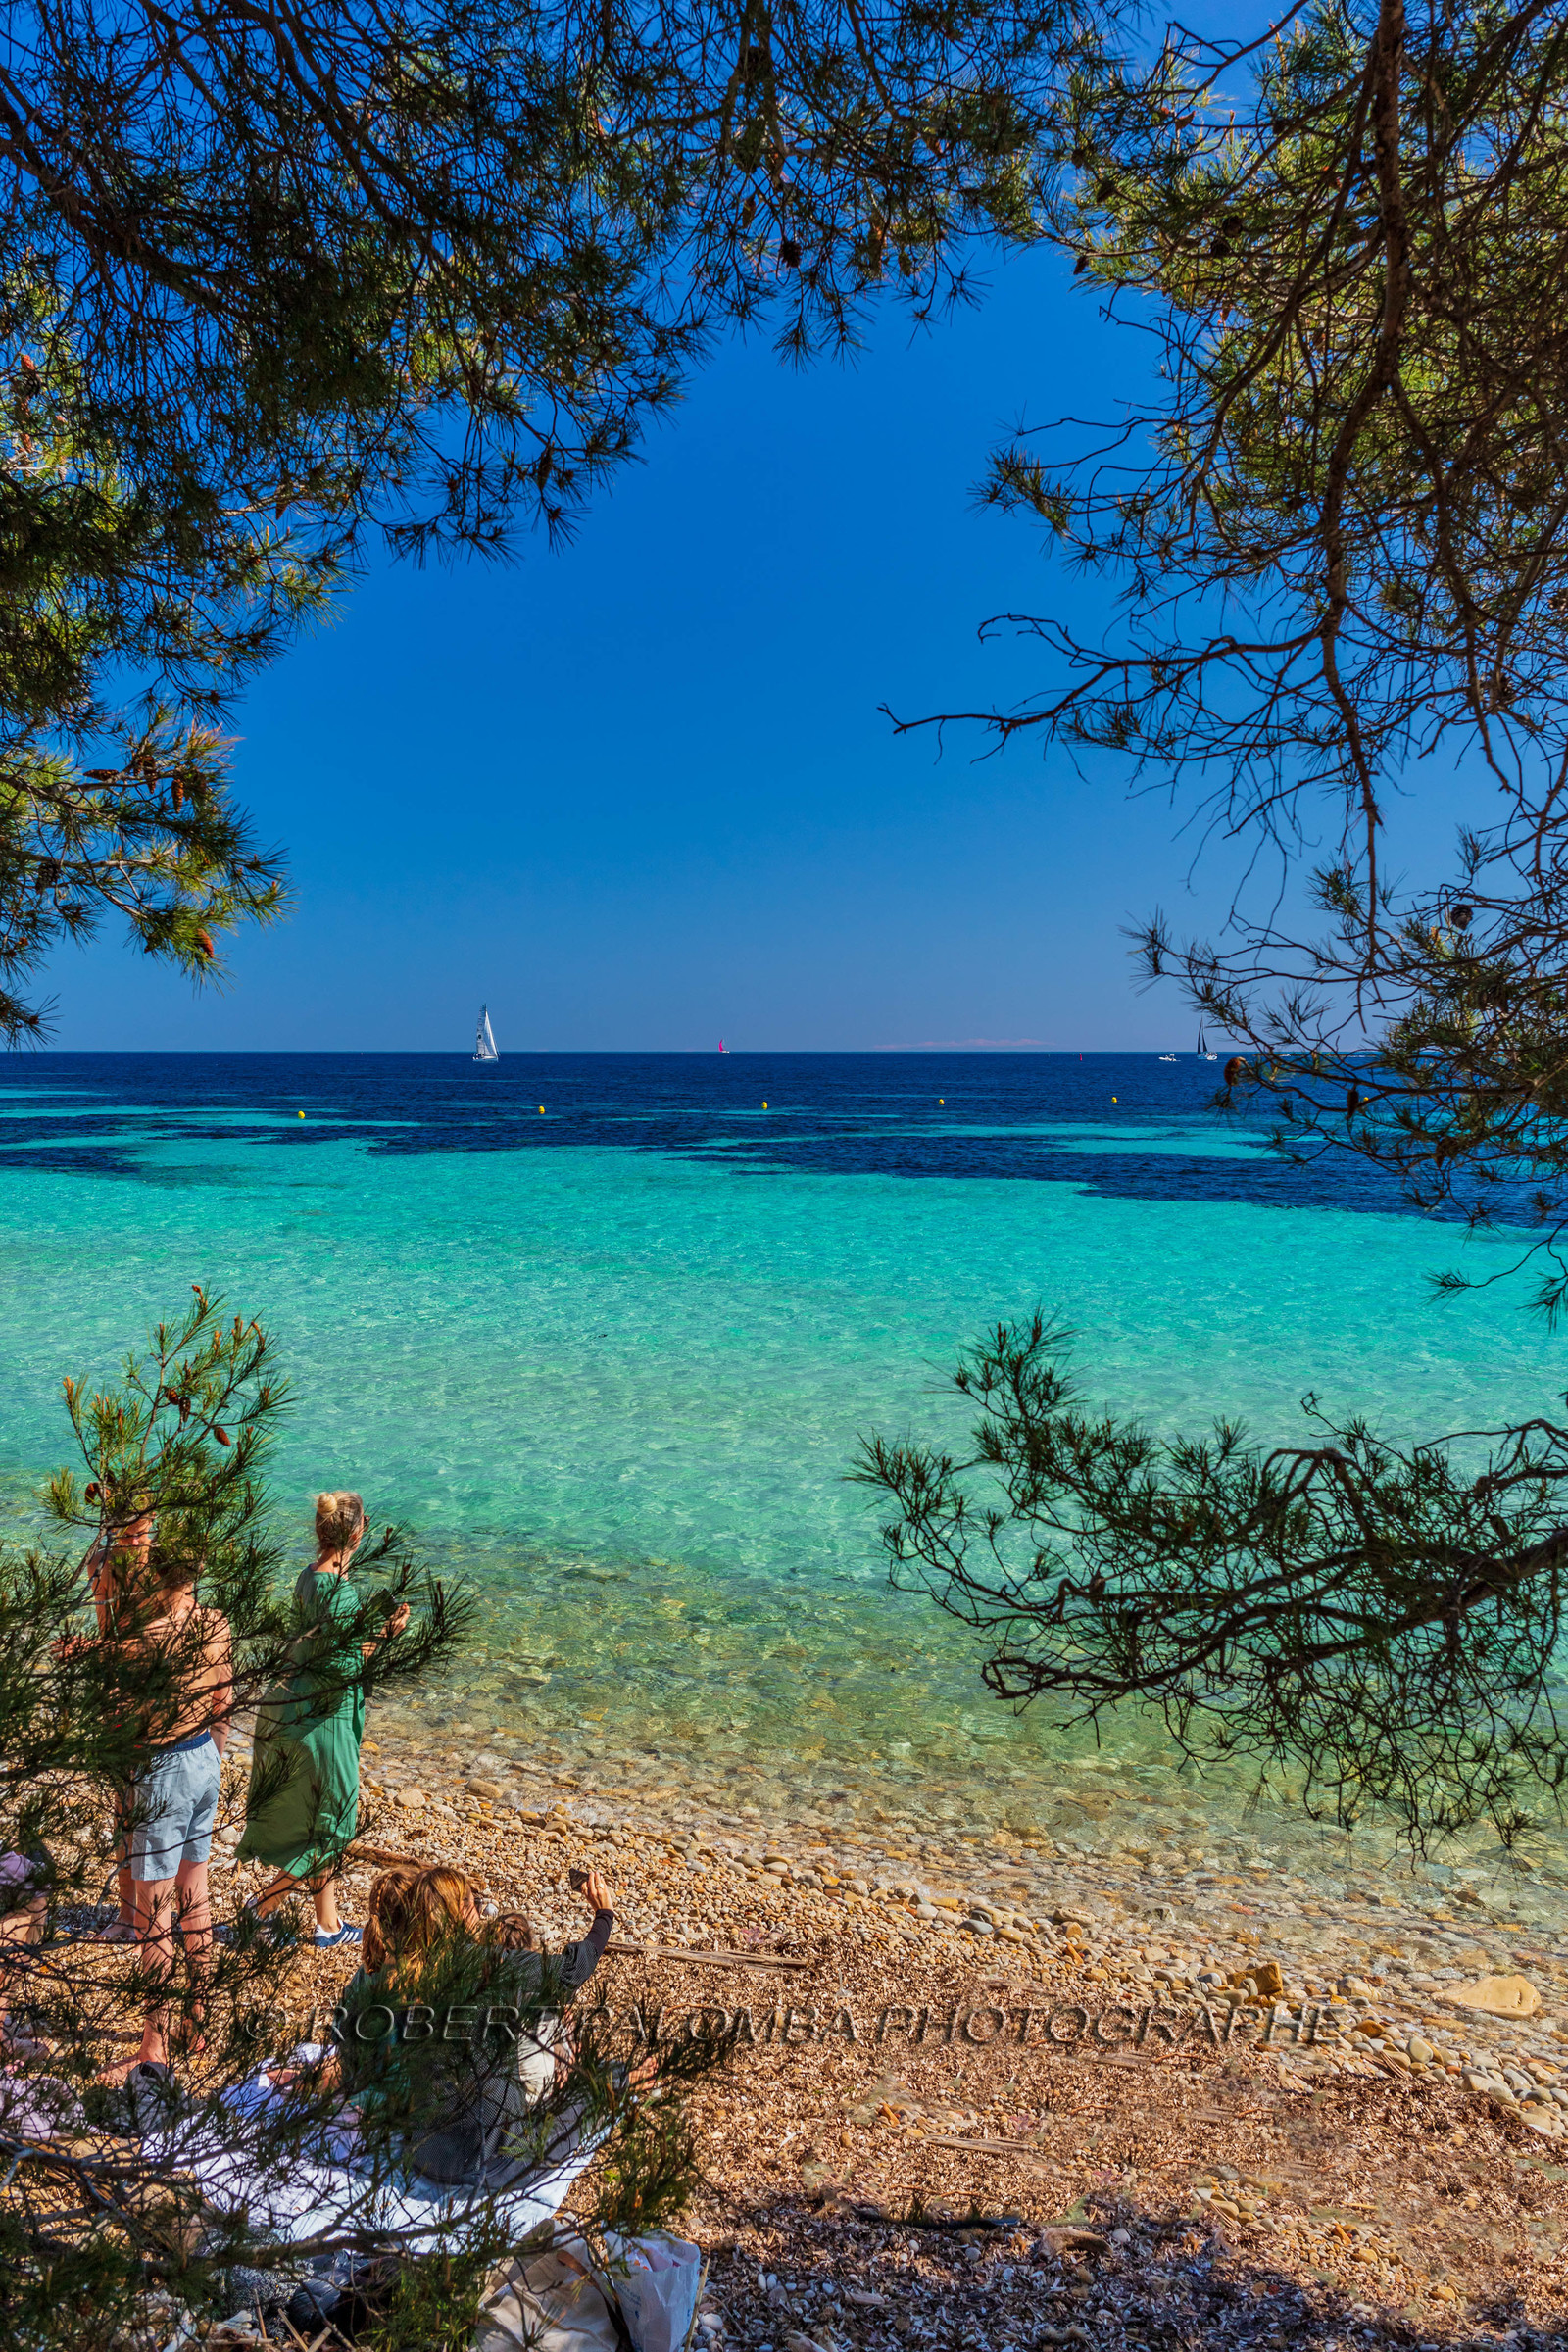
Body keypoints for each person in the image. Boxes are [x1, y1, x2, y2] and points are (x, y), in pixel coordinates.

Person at [330, 1862, 615, 2187]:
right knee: (591, 2092)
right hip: (491, 2163)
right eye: (475, 1904)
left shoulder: (403, 1972)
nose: (482, 1911)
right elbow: (573, 1970)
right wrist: (603, 1915)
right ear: (463, 1914)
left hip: (424, 2156)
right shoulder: (491, 1965)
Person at [237, 1492, 409, 1947]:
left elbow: (317, 1644)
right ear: (357, 1532)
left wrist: (366, 1622)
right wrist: (386, 1633)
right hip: (322, 1721)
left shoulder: (308, 1578)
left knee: (318, 1821)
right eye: (365, 1520)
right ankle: (261, 1908)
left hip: (290, 1710)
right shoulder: (341, 1591)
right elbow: (346, 1667)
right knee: (333, 1824)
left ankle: (327, 1924)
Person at [105, 1544, 232, 2079]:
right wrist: (214, 1755)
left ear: (157, 1571)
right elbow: (224, 1699)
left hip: (162, 1765)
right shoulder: (217, 1622)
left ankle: (153, 2045)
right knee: (195, 1891)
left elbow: (118, 1714)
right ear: (198, 1570)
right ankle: (197, 2016)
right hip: (204, 1757)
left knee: (156, 1910)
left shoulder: (146, 1636)